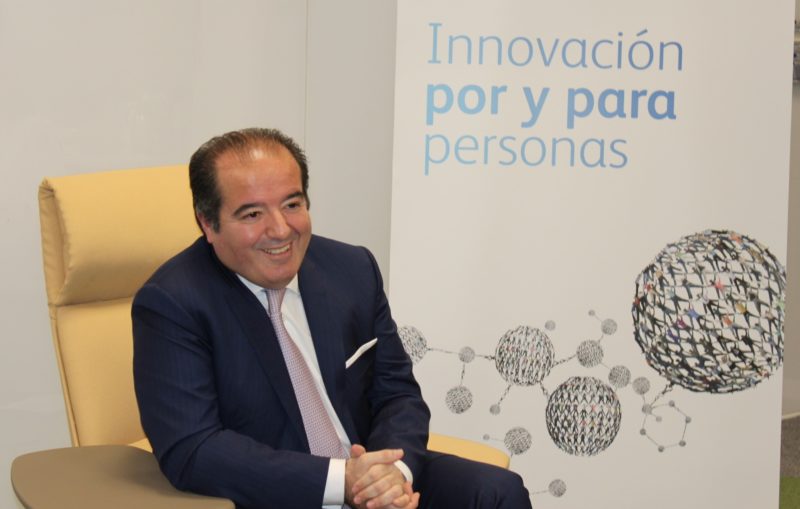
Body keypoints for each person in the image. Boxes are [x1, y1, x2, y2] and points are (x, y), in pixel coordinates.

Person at [132, 127, 532, 509]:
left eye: (292, 204)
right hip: (280, 492)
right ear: (208, 223)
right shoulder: (173, 303)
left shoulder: (351, 268)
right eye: (252, 214)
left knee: (497, 493)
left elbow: (397, 394)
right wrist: (344, 481)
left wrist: (391, 475)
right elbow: (195, 448)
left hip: (372, 479)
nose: (280, 230)